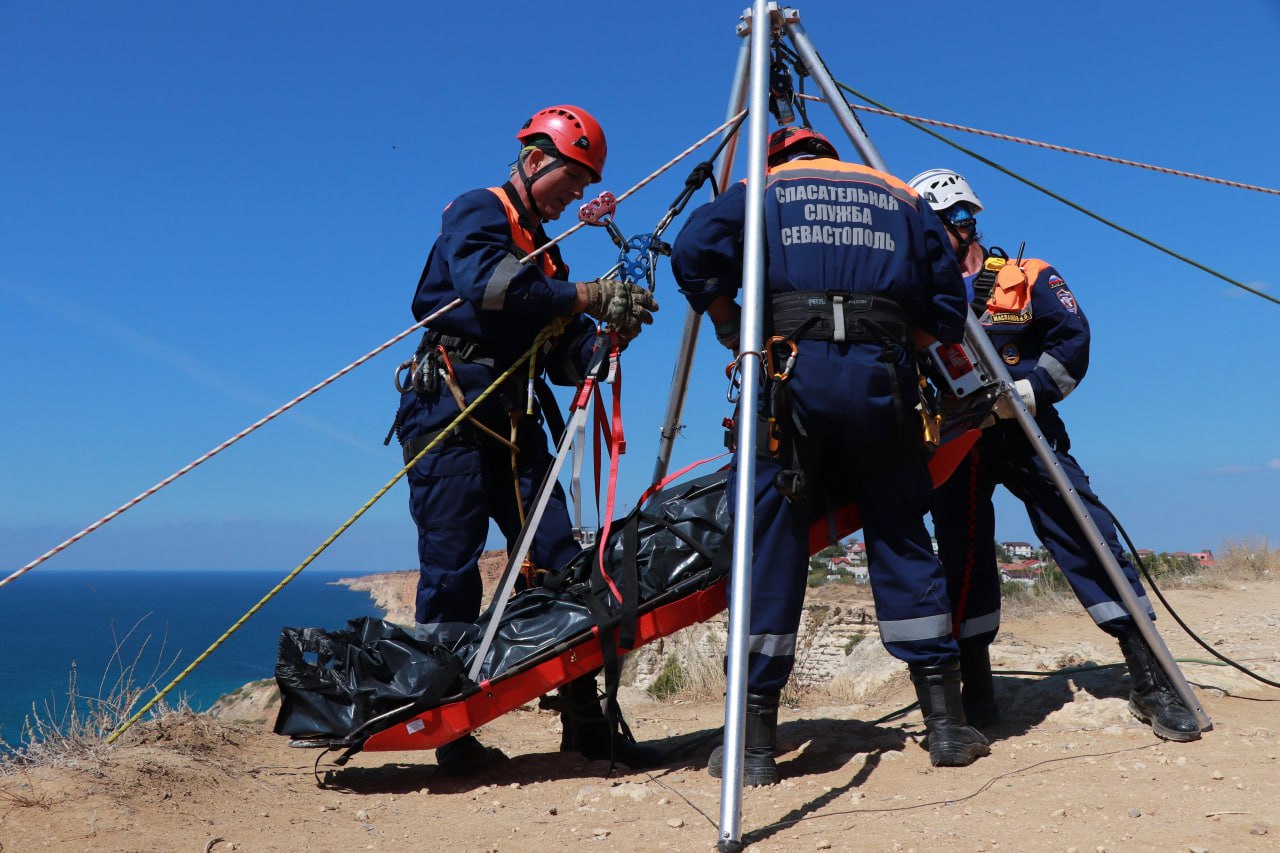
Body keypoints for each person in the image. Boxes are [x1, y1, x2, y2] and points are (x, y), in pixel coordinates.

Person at [670, 126, 988, 785]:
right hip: (882, 383)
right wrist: (900, 344)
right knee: (901, 533)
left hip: (791, 379)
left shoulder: (765, 187)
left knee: (773, 542)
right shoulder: (897, 194)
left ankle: (755, 746)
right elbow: (950, 302)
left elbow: (691, 250)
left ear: (778, 157)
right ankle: (948, 726)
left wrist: (734, 326)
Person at [392, 104, 661, 774]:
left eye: (583, 182)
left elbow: (566, 354)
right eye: (571, 178)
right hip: (451, 414)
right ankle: (447, 731)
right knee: (452, 572)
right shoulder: (479, 212)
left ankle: (584, 721)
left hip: (513, 421)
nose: (575, 193)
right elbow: (486, 287)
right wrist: (585, 297)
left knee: (562, 562)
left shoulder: (550, 259)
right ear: (535, 159)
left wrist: (606, 335)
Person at [910, 168, 1201, 742]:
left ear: (963, 222)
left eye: (943, 225)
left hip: (1028, 429)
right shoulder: (916, 299)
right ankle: (979, 694)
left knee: (1084, 532)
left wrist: (1031, 391)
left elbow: (1073, 339)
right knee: (961, 561)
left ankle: (1151, 680)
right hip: (957, 439)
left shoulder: (1028, 276)